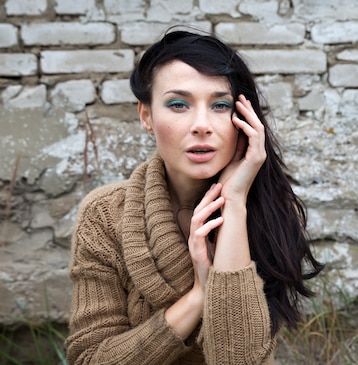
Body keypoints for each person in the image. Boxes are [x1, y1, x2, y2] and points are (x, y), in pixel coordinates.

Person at [64, 27, 324, 364]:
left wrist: (234, 203)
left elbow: (240, 360)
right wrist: (199, 296)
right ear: (146, 116)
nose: (202, 124)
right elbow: (89, 359)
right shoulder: (104, 216)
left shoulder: (266, 212)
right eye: (178, 104)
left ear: (243, 119)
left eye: (219, 105)